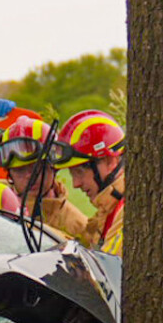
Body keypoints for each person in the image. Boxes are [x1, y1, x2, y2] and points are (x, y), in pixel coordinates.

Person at [47, 110, 126, 256]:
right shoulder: (110, 208)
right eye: (72, 174)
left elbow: (104, 270)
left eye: (80, 172)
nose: (76, 183)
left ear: (110, 161)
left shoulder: (126, 212)